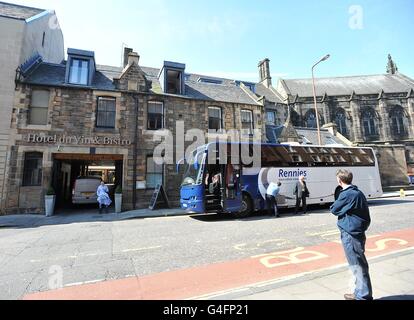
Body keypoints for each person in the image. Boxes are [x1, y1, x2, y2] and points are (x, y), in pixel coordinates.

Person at [330, 169, 373, 301]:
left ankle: (363, 296)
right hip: (357, 232)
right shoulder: (358, 192)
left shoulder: (347, 194)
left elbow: (333, 209)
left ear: (339, 180)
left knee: (357, 265)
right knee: (357, 264)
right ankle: (358, 292)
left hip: (350, 234)